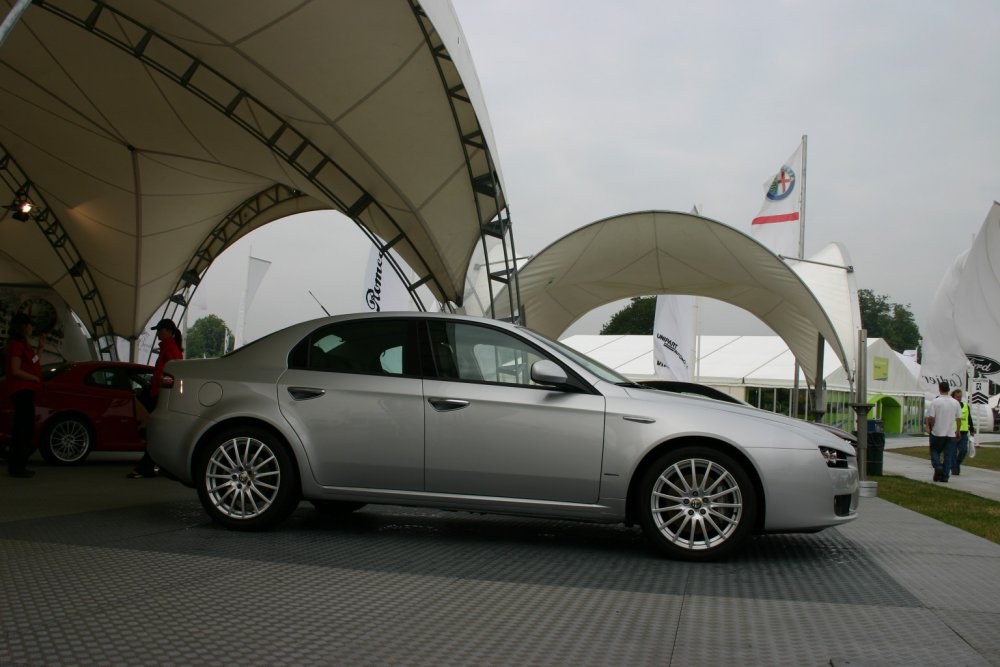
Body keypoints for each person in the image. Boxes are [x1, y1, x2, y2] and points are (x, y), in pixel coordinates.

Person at [128, 318, 183, 478]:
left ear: (169, 331)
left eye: (160, 330)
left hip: (161, 396)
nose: (158, 333)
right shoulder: (168, 349)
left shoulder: (171, 350)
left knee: (154, 433)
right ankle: (153, 466)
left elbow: (173, 375)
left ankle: (146, 466)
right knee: (155, 433)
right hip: (158, 395)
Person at [4, 313, 45, 478]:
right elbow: (15, 370)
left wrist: (41, 347)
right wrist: (34, 378)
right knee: (23, 429)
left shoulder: (24, 346)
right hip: (21, 390)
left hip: (26, 391)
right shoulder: (16, 345)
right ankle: (17, 466)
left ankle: (17, 465)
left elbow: (35, 362)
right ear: (23, 326)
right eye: (29, 324)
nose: (31, 328)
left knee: (24, 428)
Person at [924, 381, 961, 483]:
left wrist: (929, 426)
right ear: (949, 390)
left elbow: (931, 417)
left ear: (939, 389)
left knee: (934, 451)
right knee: (948, 455)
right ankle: (945, 477)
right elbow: (959, 419)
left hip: (937, 432)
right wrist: (958, 431)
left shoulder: (935, 402)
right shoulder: (955, 402)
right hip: (950, 433)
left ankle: (938, 466)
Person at [950, 389, 975, 476]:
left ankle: (956, 463)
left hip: (963, 432)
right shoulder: (950, 406)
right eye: (957, 397)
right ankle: (954, 468)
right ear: (953, 397)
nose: (959, 398)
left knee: (964, 450)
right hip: (952, 432)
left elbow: (969, 418)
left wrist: (972, 429)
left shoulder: (965, 406)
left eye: (960, 397)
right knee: (952, 451)